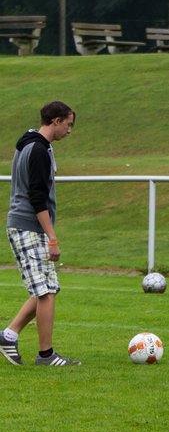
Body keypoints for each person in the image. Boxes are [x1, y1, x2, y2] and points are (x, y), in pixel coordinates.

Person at [2, 101, 80, 366]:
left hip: (29, 226)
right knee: (45, 292)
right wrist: (52, 237)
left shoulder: (31, 144)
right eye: (68, 124)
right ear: (55, 121)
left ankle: (8, 336)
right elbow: (37, 198)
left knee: (48, 289)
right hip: (28, 226)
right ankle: (46, 355)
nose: (69, 131)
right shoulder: (37, 150)